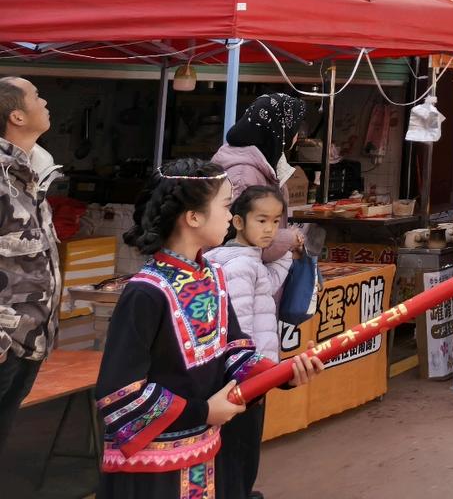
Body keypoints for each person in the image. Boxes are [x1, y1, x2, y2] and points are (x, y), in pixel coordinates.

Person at [97, 160, 321, 498]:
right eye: (226, 206)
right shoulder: (145, 292)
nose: (231, 216)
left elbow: (234, 351)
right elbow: (119, 396)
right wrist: (203, 412)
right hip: (151, 473)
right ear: (193, 217)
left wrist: (283, 374)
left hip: (203, 457)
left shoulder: (212, 277)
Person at [211, 184, 300, 499]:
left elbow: (269, 281)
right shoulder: (240, 266)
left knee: (238, 455)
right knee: (238, 455)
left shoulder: (246, 260)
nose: (270, 229)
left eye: (276, 222)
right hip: (244, 379)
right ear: (238, 221)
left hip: (249, 377)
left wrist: (287, 253)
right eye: (261, 220)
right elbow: (239, 332)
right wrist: (252, 376)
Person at [0, 76, 61, 454]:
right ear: (17, 116)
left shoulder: (33, 171)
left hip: (29, 340)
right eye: (37, 96)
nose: (45, 102)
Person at [212, 93, 306, 265]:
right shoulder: (243, 175)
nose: (297, 136)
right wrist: (289, 238)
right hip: (241, 275)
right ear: (280, 130)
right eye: (294, 129)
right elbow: (234, 241)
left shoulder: (267, 163)